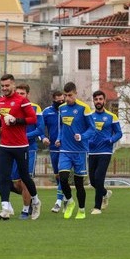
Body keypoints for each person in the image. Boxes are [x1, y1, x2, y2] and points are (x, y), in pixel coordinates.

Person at [0, 74, 42, 220]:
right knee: (2, 176)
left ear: (13, 85)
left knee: (25, 177)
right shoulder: (1, 101)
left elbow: (32, 119)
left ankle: (36, 201)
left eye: (7, 85)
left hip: (21, 146)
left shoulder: (22, 101)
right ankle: (5, 208)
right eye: (2, 86)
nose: (4, 88)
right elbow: (3, 119)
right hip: (5, 145)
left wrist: (16, 121)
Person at [55, 82, 95, 219]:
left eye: (70, 95)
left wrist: (82, 136)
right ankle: (70, 201)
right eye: (65, 95)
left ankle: (82, 210)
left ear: (75, 93)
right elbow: (61, 127)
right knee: (63, 178)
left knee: (78, 184)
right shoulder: (61, 108)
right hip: (65, 150)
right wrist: (59, 138)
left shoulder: (84, 108)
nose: (67, 98)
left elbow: (92, 128)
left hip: (80, 151)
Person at [10, 83, 45, 220]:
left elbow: (40, 129)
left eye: (22, 94)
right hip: (14, 148)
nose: (19, 96)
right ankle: (32, 197)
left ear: (28, 95)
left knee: (25, 180)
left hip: (29, 149)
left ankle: (25, 210)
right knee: (16, 183)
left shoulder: (35, 108)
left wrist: (24, 136)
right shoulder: (12, 108)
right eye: (17, 93)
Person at [87, 90, 122, 214]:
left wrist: (111, 140)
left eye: (100, 99)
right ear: (93, 101)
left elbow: (119, 133)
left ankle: (97, 207)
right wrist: (88, 140)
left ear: (104, 101)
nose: (98, 101)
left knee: (99, 178)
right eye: (96, 99)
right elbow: (85, 132)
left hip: (105, 152)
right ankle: (105, 193)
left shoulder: (112, 116)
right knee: (92, 181)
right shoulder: (89, 116)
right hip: (92, 152)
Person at [41, 90, 65, 213]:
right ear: (53, 100)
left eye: (62, 100)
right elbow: (40, 127)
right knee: (57, 175)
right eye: (58, 101)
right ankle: (66, 196)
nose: (61, 103)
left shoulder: (67, 110)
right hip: (53, 147)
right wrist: (43, 137)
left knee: (62, 172)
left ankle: (58, 201)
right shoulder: (46, 112)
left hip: (66, 147)